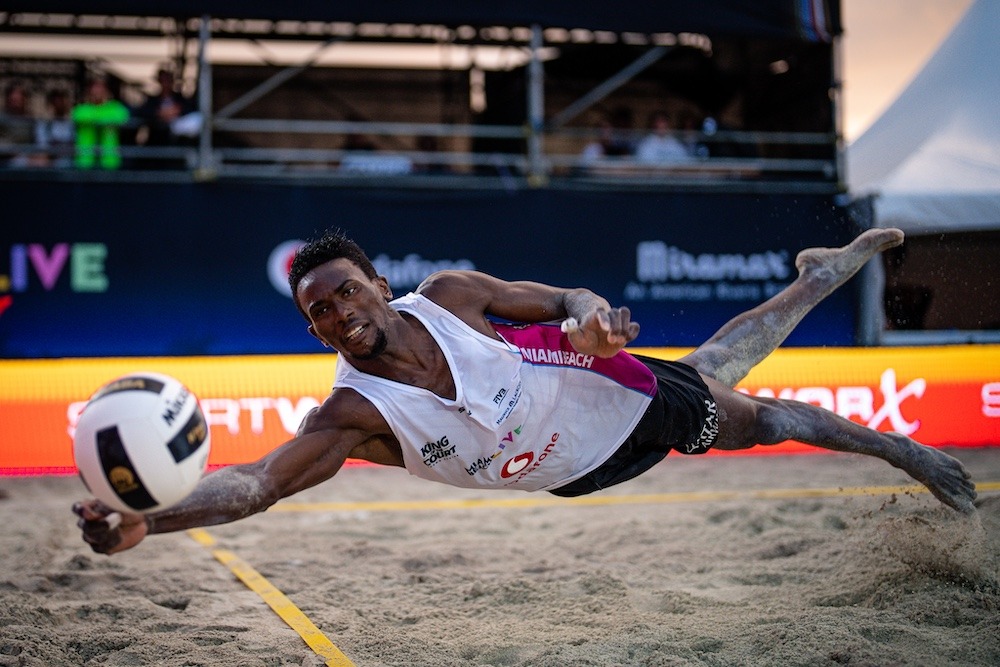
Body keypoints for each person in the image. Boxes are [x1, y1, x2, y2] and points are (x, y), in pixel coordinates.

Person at [74, 227, 978, 555]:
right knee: (719, 370)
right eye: (317, 308)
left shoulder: (455, 295)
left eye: (346, 289)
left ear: (379, 285)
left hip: (595, 388)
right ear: (310, 328)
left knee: (760, 415)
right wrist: (159, 517)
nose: (338, 310)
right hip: (566, 471)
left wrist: (590, 318)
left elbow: (564, 299)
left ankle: (912, 453)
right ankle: (816, 276)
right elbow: (258, 482)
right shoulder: (351, 414)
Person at [72, 77, 129, 170]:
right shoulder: (82, 109)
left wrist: (95, 119)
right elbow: (77, 116)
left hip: (109, 161)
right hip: (85, 161)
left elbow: (123, 116)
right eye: (94, 89)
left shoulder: (115, 108)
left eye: (100, 89)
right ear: (89, 91)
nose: (97, 92)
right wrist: (106, 119)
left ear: (106, 91)